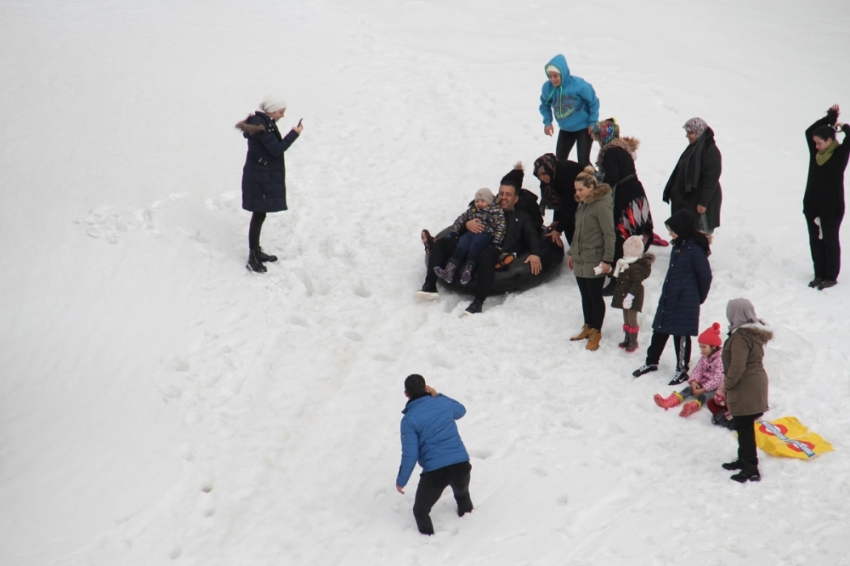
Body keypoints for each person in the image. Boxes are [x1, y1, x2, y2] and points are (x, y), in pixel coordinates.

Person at [418, 164, 544, 315]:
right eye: (501, 193)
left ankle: (478, 302)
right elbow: (464, 218)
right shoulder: (485, 209)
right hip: (470, 242)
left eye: (508, 195)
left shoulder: (521, 217)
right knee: (442, 244)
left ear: (516, 199)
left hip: (495, 249)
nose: (503, 197)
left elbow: (531, 234)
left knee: (485, 256)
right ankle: (430, 284)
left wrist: (535, 252)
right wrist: (467, 224)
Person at [633, 210, 712, 384]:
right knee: (660, 329)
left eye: (672, 229)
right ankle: (651, 361)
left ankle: (682, 369)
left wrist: (698, 298)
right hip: (670, 296)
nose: (669, 233)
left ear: (682, 228)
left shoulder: (694, 249)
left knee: (681, 334)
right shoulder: (679, 245)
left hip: (685, 300)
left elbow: (705, 276)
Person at [395, 374, 473, 535]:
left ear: (406, 394)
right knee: (462, 494)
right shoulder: (442, 403)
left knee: (420, 511)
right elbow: (461, 410)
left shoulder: (409, 420)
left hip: (437, 473)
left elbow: (411, 454)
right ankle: (471, 533)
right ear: (426, 388)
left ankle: (427, 542)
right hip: (461, 465)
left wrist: (401, 481)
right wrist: (437, 395)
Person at [235, 94, 304, 273]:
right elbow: (276, 149)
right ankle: (253, 256)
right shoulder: (262, 126)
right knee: (258, 214)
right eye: (281, 112)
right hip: (259, 178)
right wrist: (294, 134)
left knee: (261, 213)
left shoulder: (265, 123)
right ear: (272, 111)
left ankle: (256, 251)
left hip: (261, 175)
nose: (282, 115)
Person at [591, 118, 655, 295]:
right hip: (634, 191)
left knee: (622, 233)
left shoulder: (610, 152)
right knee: (634, 230)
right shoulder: (621, 147)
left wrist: (596, 183)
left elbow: (611, 178)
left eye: (597, 136)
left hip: (625, 195)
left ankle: (618, 278)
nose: (596, 140)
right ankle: (632, 262)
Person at [720, 299, 772, 483]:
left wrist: (726, 385)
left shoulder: (741, 336)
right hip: (754, 382)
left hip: (746, 385)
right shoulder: (752, 332)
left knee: (744, 426)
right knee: (744, 425)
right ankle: (744, 460)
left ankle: (750, 468)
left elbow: (737, 366)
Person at [567, 166, 615, 351]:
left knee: (595, 296)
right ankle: (588, 326)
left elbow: (609, 234)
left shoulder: (601, 204)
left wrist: (607, 261)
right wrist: (572, 252)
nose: (577, 193)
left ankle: (596, 330)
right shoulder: (583, 203)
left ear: (591, 188)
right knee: (585, 295)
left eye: (580, 190)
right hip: (581, 258)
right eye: (576, 190)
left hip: (594, 259)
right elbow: (578, 231)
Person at [803, 104, 849, 290]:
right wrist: (829, 119)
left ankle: (830, 275)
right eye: (815, 143)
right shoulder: (816, 153)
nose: (816, 146)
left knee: (830, 240)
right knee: (816, 240)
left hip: (832, 208)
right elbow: (809, 132)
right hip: (812, 206)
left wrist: (843, 126)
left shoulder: (839, 154)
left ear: (830, 140)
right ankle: (819, 273)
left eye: (820, 143)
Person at [662, 117, 723, 234]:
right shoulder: (695, 147)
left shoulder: (710, 151)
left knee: (700, 234)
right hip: (691, 200)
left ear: (699, 132)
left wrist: (703, 202)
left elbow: (711, 179)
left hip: (701, 204)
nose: (687, 136)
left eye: (690, 133)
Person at [434, 189, 506, 286]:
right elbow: (460, 220)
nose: (479, 203)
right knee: (461, 246)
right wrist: (454, 232)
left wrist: (496, 243)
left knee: (474, 247)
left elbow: (501, 227)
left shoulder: (496, 212)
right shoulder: (472, 211)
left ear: (489, 201)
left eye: (483, 201)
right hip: (470, 233)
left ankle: (468, 270)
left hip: (485, 234)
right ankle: (449, 271)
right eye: (477, 201)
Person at [653, 322, 724, 417]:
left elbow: (718, 379)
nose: (702, 349)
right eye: (700, 346)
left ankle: (692, 406)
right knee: (688, 389)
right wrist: (694, 381)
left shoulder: (720, 359)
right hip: (702, 384)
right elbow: (698, 369)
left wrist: (704, 389)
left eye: (704, 347)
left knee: (706, 396)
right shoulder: (705, 356)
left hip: (716, 388)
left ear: (713, 346)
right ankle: (669, 402)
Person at [539, 54, 599, 166]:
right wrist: (547, 122)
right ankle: (564, 183)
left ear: (563, 73)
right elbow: (544, 105)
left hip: (584, 128)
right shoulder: (547, 88)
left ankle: (596, 182)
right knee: (559, 162)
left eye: (555, 76)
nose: (553, 79)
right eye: (550, 76)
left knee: (583, 162)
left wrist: (593, 122)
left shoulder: (579, 85)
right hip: (566, 129)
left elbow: (593, 102)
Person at [611, 235, 655, 352]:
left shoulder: (636, 267)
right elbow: (621, 278)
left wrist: (630, 297)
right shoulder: (625, 263)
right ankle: (627, 338)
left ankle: (633, 341)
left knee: (632, 317)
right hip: (624, 295)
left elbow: (636, 284)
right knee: (625, 317)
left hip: (633, 297)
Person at [532, 153, 584, 247]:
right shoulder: (550, 178)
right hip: (572, 199)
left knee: (570, 222)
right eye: (539, 176)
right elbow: (558, 201)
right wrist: (556, 220)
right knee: (565, 222)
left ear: (549, 169)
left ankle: (578, 251)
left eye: (544, 174)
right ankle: (575, 249)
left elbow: (570, 206)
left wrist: (558, 230)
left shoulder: (565, 176)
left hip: (587, 197)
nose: (542, 178)